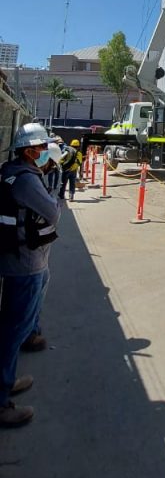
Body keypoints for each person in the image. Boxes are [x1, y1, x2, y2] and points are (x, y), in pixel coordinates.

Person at [0, 123, 60, 427]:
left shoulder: (10, 170)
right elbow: (53, 211)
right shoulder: (26, 180)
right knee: (13, 330)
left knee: (12, 327)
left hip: (18, 260)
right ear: (29, 151)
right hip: (25, 264)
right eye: (40, 148)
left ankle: (7, 381)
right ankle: (1, 402)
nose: (44, 153)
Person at [20, 142, 64, 353]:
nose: (51, 168)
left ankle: (30, 330)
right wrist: (54, 200)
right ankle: (28, 334)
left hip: (31, 249)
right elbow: (53, 213)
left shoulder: (31, 176)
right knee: (29, 297)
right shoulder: (28, 179)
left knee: (40, 284)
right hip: (27, 253)